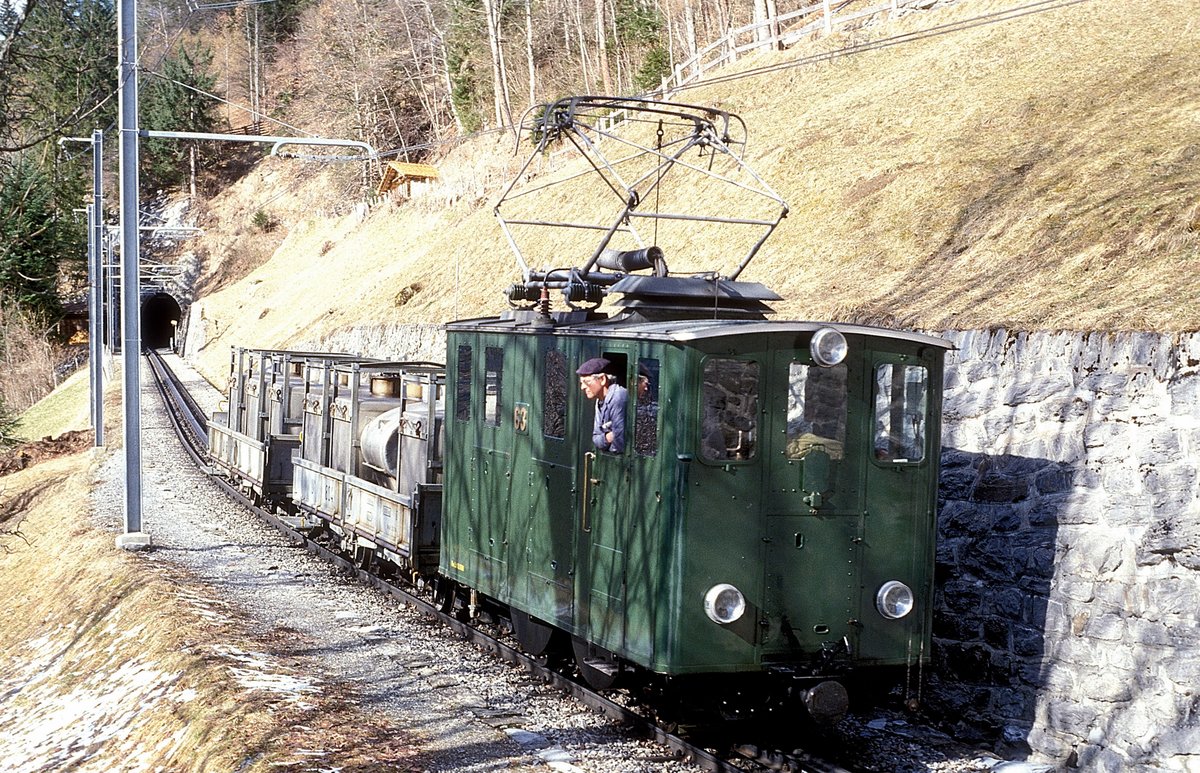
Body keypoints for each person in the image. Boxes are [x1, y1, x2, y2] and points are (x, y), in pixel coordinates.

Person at [577, 357, 627, 453]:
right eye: (581, 383)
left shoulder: (618, 398)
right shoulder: (600, 401)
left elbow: (618, 445)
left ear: (602, 379)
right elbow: (596, 438)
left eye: (587, 382)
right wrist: (609, 436)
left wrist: (608, 437)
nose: (582, 387)